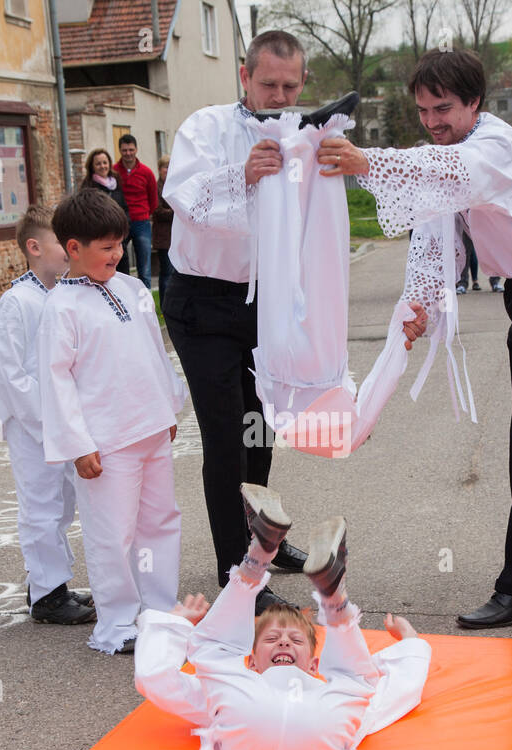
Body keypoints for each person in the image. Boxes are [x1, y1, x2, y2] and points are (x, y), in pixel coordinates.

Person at [319, 49, 512, 629]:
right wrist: (420, 305)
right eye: (422, 109)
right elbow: (438, 236)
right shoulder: (455, 148)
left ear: (476, 101)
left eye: (443, 108)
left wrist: (364, 161)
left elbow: (445, 176)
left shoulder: (490, 150)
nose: (432, 121)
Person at [134, 485, 432, 750]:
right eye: (273, 639)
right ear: (251, 663)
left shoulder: (223, 697)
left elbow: (155, 677)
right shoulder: (261, 688)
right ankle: (334, 603)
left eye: (295, 641)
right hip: (314, 749)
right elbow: (397, 692)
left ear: (315, 665)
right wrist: (409, 644)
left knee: (213, 653)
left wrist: (176, 625)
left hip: (264, 744)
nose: (284, 644)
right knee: (358, 682)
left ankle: (257, 561)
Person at [161, 29, 314, 609]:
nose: (279, 95)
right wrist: (243, 175)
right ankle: (240, 579)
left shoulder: (304, 135)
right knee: (227, 437)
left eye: (289, 85)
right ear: (245, 78)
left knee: (262, 428)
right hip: (202, 302)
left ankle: (264, 543)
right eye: (268, 83)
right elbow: (185, 197)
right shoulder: (205, 127)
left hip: (263, 303)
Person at [37, 188, 187, 654]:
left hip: (150, 429)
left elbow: (154, 352)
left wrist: (168, 406)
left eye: (120, 244)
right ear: (74, 249)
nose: (117, 254)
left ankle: (159, 611)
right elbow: (55, 380)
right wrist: (77, 444)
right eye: (106, 247)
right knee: (112, 533)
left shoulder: (133, 288)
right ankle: (117, 624)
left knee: (160, 522)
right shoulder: (61, 307)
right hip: (106, 442)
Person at [0, 204, 96, 626]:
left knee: (62, 503)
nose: (69, 249)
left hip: (59, 422)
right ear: (34, 247)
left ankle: (52, 580)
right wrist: (46, 419)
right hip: (33, 426)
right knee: (41, 506)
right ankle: (46, 596)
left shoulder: (61, 296)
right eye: (59, 241)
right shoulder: (17, 302)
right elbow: (9, 372)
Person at [115, 133, 158, 289]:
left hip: (141, 222)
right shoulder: (114, 171)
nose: (128, 153)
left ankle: (145, 302)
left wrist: (145, 213)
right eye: (125, 150)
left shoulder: (146, 172)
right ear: (120, 150)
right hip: (121, 222)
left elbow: (153, 199)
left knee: (144, 266)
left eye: (131, 150)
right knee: (121, 263)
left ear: (136, 150)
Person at [80, 148, 130, 278]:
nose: (102, 166)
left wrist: (125, 228)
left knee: (123, 276)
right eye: (98, 164)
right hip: (101, 239)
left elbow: (124, 208)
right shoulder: (88, 187)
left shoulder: (116, 183)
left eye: (105, 162)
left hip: (119, 239)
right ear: (92, 167)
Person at [152, 155, 176, 301]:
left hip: (175, 236)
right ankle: (164, 302)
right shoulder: (156, 187)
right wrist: (177, 211)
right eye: (165, 167)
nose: (167, 170)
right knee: (166, 272)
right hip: (163, 236)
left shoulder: (176, 185)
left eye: (170, 167)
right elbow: (157, 211)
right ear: (159, 169)